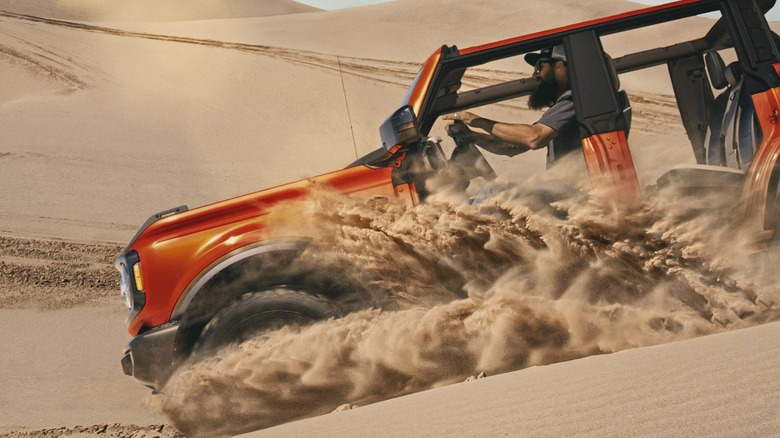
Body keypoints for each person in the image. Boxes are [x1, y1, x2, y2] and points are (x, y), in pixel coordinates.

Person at [443, 45, 580, 168]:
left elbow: (534, 138)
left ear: (559, 67)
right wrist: (471, 136)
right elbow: (513, 146)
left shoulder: (573, 100)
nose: (534, 74)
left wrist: (476, 121)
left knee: (492, 191)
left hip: (574, 190)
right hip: (564, 188)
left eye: (539, 66)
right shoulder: (560, 108)